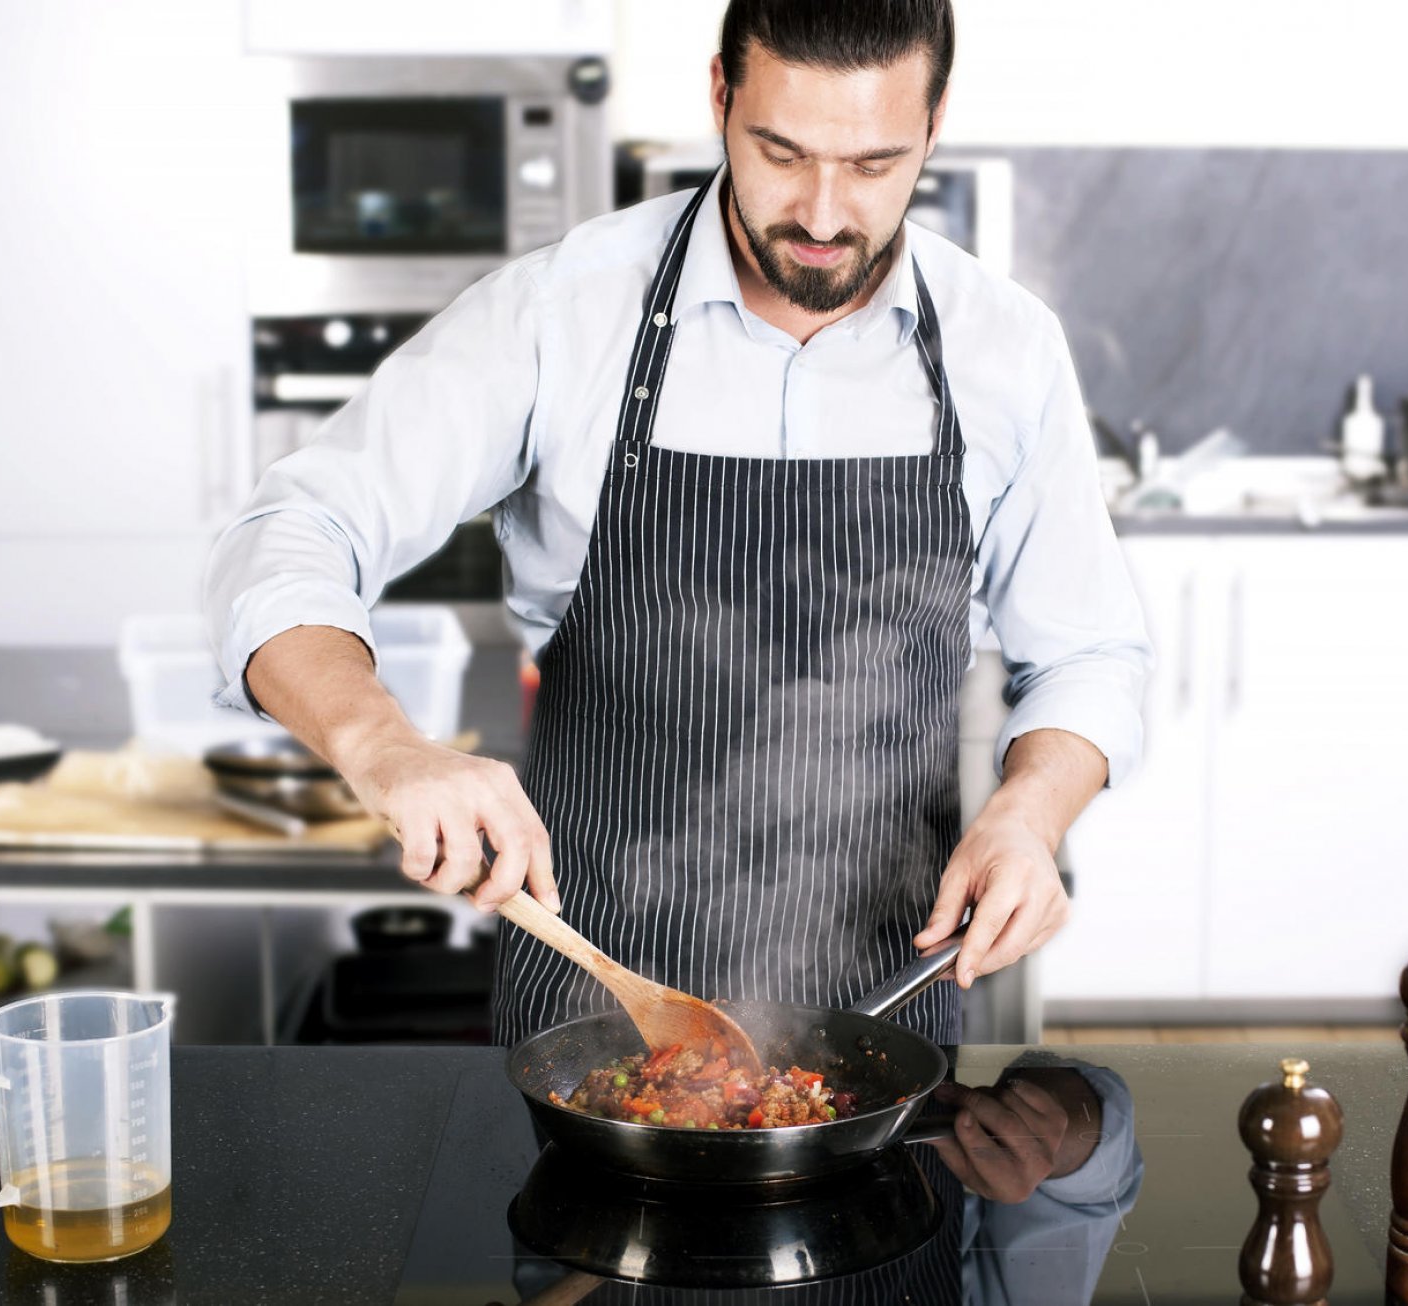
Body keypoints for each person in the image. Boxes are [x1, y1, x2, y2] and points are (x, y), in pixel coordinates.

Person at [205, 0, 1150, 1048]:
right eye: (780, 152)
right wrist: (383, 745)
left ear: (932, 126)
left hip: (885, 1029)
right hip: (591, 1016)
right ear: (718, 97)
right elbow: (290, 525)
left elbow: (1091, 653)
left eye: (875, 164)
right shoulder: (565, 313)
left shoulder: (1003, 349)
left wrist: (1030, 812)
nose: (825, 213)